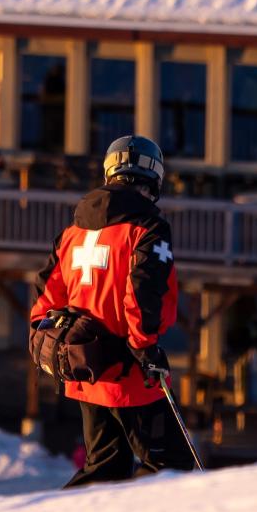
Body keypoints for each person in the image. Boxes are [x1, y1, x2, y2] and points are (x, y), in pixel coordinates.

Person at [28, 134, 196, 487]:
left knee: (106, 466)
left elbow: (46, 296)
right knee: (172, 465)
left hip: (85, 368)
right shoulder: (147, 227)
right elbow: (142, 290)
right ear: (153, 178)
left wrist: (47, 336)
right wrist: (145, 345)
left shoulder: (72, 232)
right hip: (129, 370)